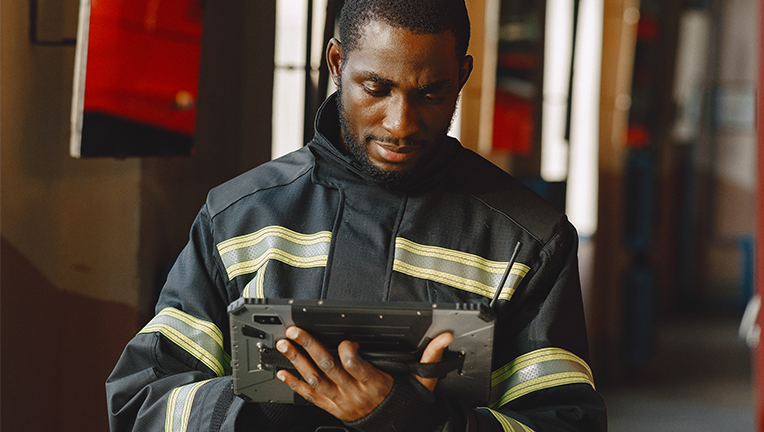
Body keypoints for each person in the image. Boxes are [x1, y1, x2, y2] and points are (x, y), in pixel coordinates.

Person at [106, 0, 606, 430]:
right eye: (376, 88)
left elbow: (565, 422)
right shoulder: (238, 219)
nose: (400, 123)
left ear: (462, 76)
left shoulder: (527, 241)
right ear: (336, 61)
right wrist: (275, 401)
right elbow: (142, 404)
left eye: (430, 93)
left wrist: (419, 423)